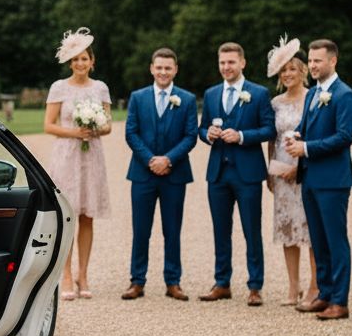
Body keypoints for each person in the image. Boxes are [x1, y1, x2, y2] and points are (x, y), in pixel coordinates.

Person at [199, 42, 276, 305]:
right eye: (222, 63)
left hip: (248, 174)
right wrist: (207, 135)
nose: (226, 67)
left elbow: (269, 129)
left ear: (242, 63)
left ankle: (255, 286)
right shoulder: (210, 94)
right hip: (218, 174)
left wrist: (242, 136)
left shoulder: (259, 93)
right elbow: (201, 129)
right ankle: (222, 283)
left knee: (251, 230)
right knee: (221, 230)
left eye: (231, 62)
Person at [286, 39, 352, 321]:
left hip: (333, 180)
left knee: (335, 240)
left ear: (333, 61)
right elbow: (307, 128)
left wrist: (306, 148)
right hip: (311, 178)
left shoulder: (345, 95)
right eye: (311, 61)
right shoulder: (315, 93)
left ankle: (339, 301)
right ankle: (324, 294)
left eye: (318, 61)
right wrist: (296, 136)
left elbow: (343, 137)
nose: (313, 65)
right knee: (319, 240)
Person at [122, 47, 198, 301]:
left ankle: (173, 281)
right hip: (143, 174)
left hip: (174, 175)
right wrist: (150, 159)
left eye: (168, 67)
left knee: (172, 230)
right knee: (141, 229)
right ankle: (137, 280)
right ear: (152, 69)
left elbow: (190, 136)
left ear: (175, 69)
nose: (163, 72)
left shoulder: (186, 99)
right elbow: (131, 132)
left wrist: (168, 159)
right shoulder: (138, 97)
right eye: (159, 67)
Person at [45, 28, 112, 300]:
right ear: (70, 63)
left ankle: (84, 274)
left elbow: (108, 125)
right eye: (75, 60)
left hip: (92, 155)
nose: (80, 64)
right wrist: (75, 132)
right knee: (68, 215)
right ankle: (67, 274)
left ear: (92, 61)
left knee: (87, 216)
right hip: (67, 155)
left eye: (84, 59)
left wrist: (95, 126)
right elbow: (48, 125)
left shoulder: (101, 88)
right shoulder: (59, 88)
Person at [265, 36, 317, 306]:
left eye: (292, 69)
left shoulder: (314, 98)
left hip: (307, 169)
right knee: (287, 231)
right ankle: (292, 286)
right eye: (283, 70)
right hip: (281, 172)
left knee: (310, 229)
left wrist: (299, 167)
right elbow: (271, 140)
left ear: (303, 71)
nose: (287, 74)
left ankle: (314, 286)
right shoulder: (275, 103)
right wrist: (270, 173)